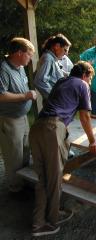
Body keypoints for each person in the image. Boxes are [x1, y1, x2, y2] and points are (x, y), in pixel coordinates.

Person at [29, 61, 96, 237]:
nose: (90, 82)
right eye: (90, 78)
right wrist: (92, 141)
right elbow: (85, 116)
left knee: (43, 178)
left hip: (37, 127)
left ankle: (39, 221)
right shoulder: (82, 84)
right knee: (54, 179)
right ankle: (50, 223)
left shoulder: (62, 81)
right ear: (85, 75)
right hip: (52, 129)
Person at [0, 37, 37, 193]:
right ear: (19, 53)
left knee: (25, 151)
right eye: (29, 54)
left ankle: (25, 181)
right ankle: (15, 188)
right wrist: (25, 96)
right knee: (14, 154)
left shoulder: (20, 67)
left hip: (22, 116)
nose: (30, 58)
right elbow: (1, 95)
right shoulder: (3, 69)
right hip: (9, 119)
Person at [34, 33, 71, 100]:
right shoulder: (48, 58)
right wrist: (54, 97)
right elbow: (39, 81)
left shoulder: (52, 58)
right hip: (54, 101)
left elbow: (55, 74)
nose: (66, 54)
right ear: (57, 46)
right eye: (65, 50)